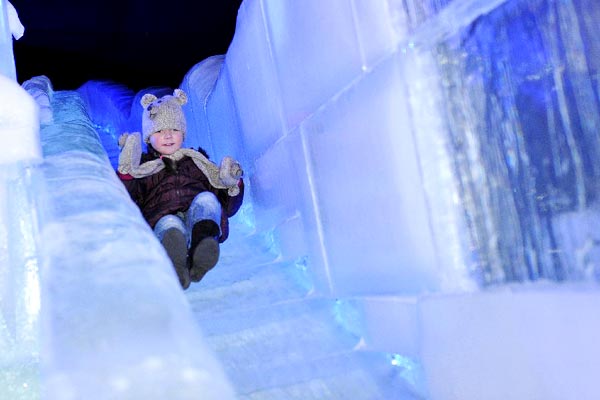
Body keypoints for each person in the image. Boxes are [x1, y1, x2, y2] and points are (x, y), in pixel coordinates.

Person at [117, 89, 244, 289]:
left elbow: (226, 207)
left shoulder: (198, 162)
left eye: (174, 130)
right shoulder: (143, 168)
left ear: (183, 133)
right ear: (149, 137)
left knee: (208, 200)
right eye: (159, 131)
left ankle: (202, 246)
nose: (167, 135)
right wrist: (126, 173)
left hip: (197, 216)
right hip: (161, 216)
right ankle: (176, 265)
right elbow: (129, 198)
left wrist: (232, 185)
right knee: (170, 223)